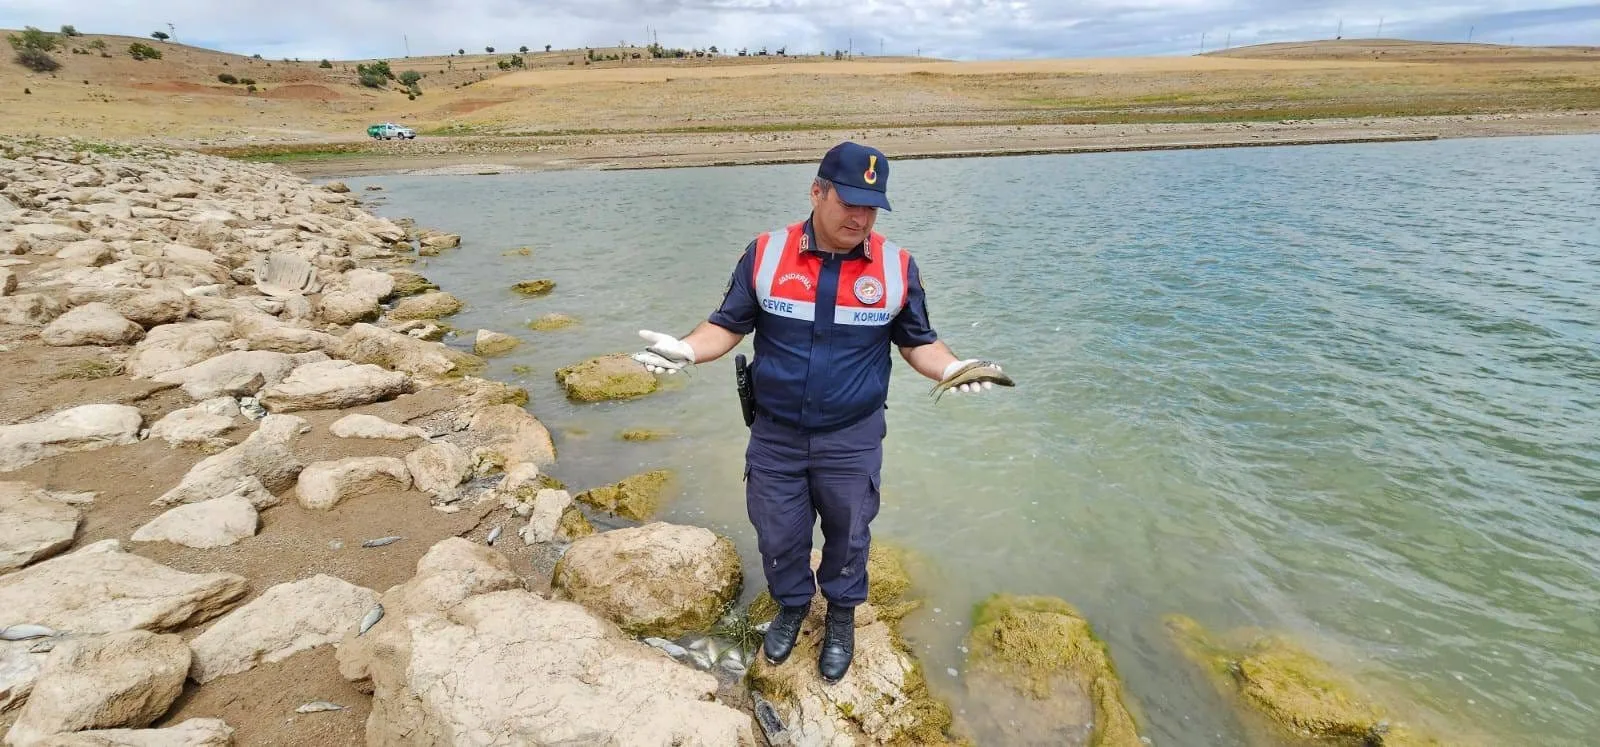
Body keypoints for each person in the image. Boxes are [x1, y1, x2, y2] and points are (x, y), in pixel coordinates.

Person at [631, 141, 1002, 683]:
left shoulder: (898, 268)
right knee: (778, 532)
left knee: (850, 533)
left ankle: (843, 616)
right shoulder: (765, 254)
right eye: (848, 202)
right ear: (816, 191)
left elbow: (919, 342)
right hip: (775, 434)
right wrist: (688, 349)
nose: (860, 217)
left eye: (871, 206)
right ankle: (791, 607)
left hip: (852, 437)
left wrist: (951, 368)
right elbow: (727, 326)